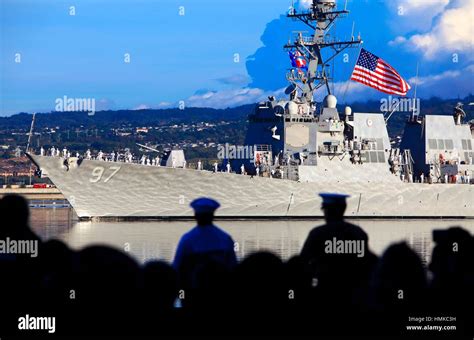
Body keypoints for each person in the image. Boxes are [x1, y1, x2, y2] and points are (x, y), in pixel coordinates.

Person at [173, 198, 237, 277]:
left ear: (195, 216)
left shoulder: (188, 239)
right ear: (212, 216)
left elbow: (177, 266)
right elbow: (233, 266)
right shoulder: (225, 238)